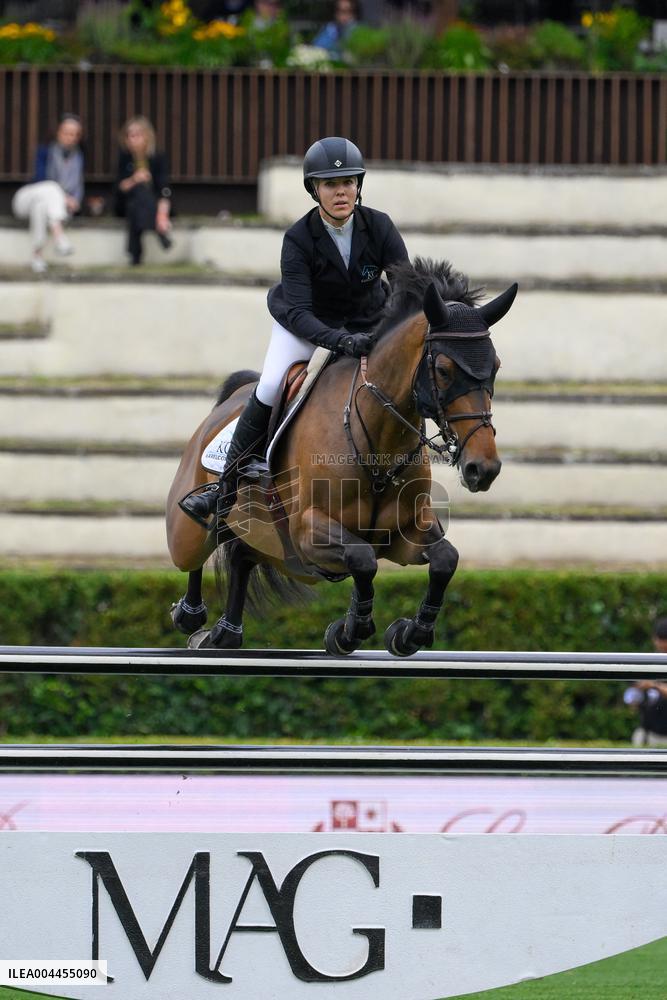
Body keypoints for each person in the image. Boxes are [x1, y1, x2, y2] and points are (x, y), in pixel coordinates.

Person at [180, 135, 409, 527]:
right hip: (304, 324)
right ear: (314, 190)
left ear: (359, 185)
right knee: (269, 385)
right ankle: (225, 488)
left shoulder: (380, 226)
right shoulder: (299, 239)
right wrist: (339, 340)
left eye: (349, 182)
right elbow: (301, 312)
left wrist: (396, 329)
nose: (341, 192)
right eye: (331, 185)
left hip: (366, 321)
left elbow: (405, 286)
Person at [12, 113, 84, 274]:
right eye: (66, 132)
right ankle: (60, 237)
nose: (70, 137)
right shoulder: (45, 151)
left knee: (42, 207)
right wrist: (64, 198)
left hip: (47, 207)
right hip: (26, 199)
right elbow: (40, 179)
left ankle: (37, 256)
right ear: (58, 132)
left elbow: (78, 187)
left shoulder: (78, 157)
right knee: (51, 188)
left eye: (74, 134)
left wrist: (75, 201)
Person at [114, 116, 173, 267]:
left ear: (147, 136)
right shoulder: (125, 157)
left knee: (138, 204)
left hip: (150, 206)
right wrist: (134, 179)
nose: (134, 138)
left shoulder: (157, 157)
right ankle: (161, 235)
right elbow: (119, 188)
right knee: (138, 192)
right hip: (125, 204)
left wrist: (161, 215)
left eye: (138, 134)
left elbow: (164, 189)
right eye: (130, 135)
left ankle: (135, 255)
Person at [624, 617, 667, 746]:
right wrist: (636, 694)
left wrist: (654, 685)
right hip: (647, 733)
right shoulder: (647, 662)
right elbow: (631, 699)